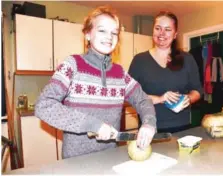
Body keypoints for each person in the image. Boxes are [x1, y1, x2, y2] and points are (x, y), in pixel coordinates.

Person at [35, 5, 156, 159]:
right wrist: (93, 124)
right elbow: (44, 106)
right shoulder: (72, 65)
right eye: (102, 30)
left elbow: (143, 99)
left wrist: (149, 123)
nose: (109, 36)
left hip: (110, 158)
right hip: (76, 162)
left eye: (114, 33)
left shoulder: (120, 74)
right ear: (87, 34)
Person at [128, 11, 202, 133]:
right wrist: (160, 98)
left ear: (175, 34)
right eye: (158, 28)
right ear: (153, 31)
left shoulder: (187, 59)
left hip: (182, 128)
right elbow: (130, 95)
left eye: (167, 29)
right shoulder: (139, 60)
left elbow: (197, 91)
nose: (162, 33)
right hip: (150, 128)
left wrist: (188, 99)